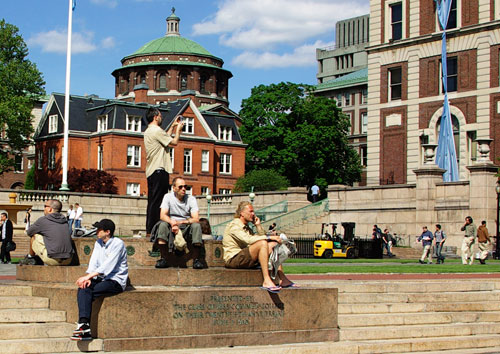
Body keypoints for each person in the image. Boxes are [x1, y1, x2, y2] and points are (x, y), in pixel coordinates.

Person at [71, 219, 128, 341]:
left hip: (115, 280)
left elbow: (108, 266)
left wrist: (88, 277)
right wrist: (87, 277)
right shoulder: (98, 242)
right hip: (100, 277)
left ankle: (84, 327)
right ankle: (84, 325)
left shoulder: (118, 244)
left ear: (107, 232)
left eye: (99, 229)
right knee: (84, 287)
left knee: (89, 292)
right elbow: (93, 263)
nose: (96, 231)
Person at [223, 201, 294, 293]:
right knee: (263, 243)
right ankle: (266, 280)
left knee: (273, 245)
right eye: (251, 211)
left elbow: (261, 238)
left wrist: (258, 226)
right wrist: (270, 237)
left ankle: (283, 279)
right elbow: (249, 240)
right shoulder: (234, 225)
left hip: (245, 258)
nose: (253, 214)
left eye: (253, 212)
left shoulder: (246, 227)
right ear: (242, 213)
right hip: (233, 259)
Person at [144, 107, 184, 236]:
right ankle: (154, 230)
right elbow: (173, 142)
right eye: (160, 115)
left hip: (151, 171)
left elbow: (164, 138)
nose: (161, 118)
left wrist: (172, 126)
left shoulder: (149, 131)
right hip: (159, 170)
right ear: (156, 117)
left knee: (152, 201)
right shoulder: (157, 131)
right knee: (159, 202)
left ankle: (150, 230)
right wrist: (178, 130)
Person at [153, 177, 205, 269]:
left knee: (196, 226)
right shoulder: (167, 197)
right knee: (162, 225)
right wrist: (172, 222)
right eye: (180, 187)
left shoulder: (191, 199)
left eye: (185, 186)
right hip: (170, 225)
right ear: (174, 188)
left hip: (186, 226)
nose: (184, 189)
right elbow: (162, 215)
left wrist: (180, 222)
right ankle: (163, 258)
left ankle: (196, 260)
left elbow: (196, 218)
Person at [21, 199, 73, 266]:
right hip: (69, 259)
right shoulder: (64, 220)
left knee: (34, 235)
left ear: (50, 209)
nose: (44, 208)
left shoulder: (43, 220)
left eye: (45, 206)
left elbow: (29, 232)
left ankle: (30, 257)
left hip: (53, 259)